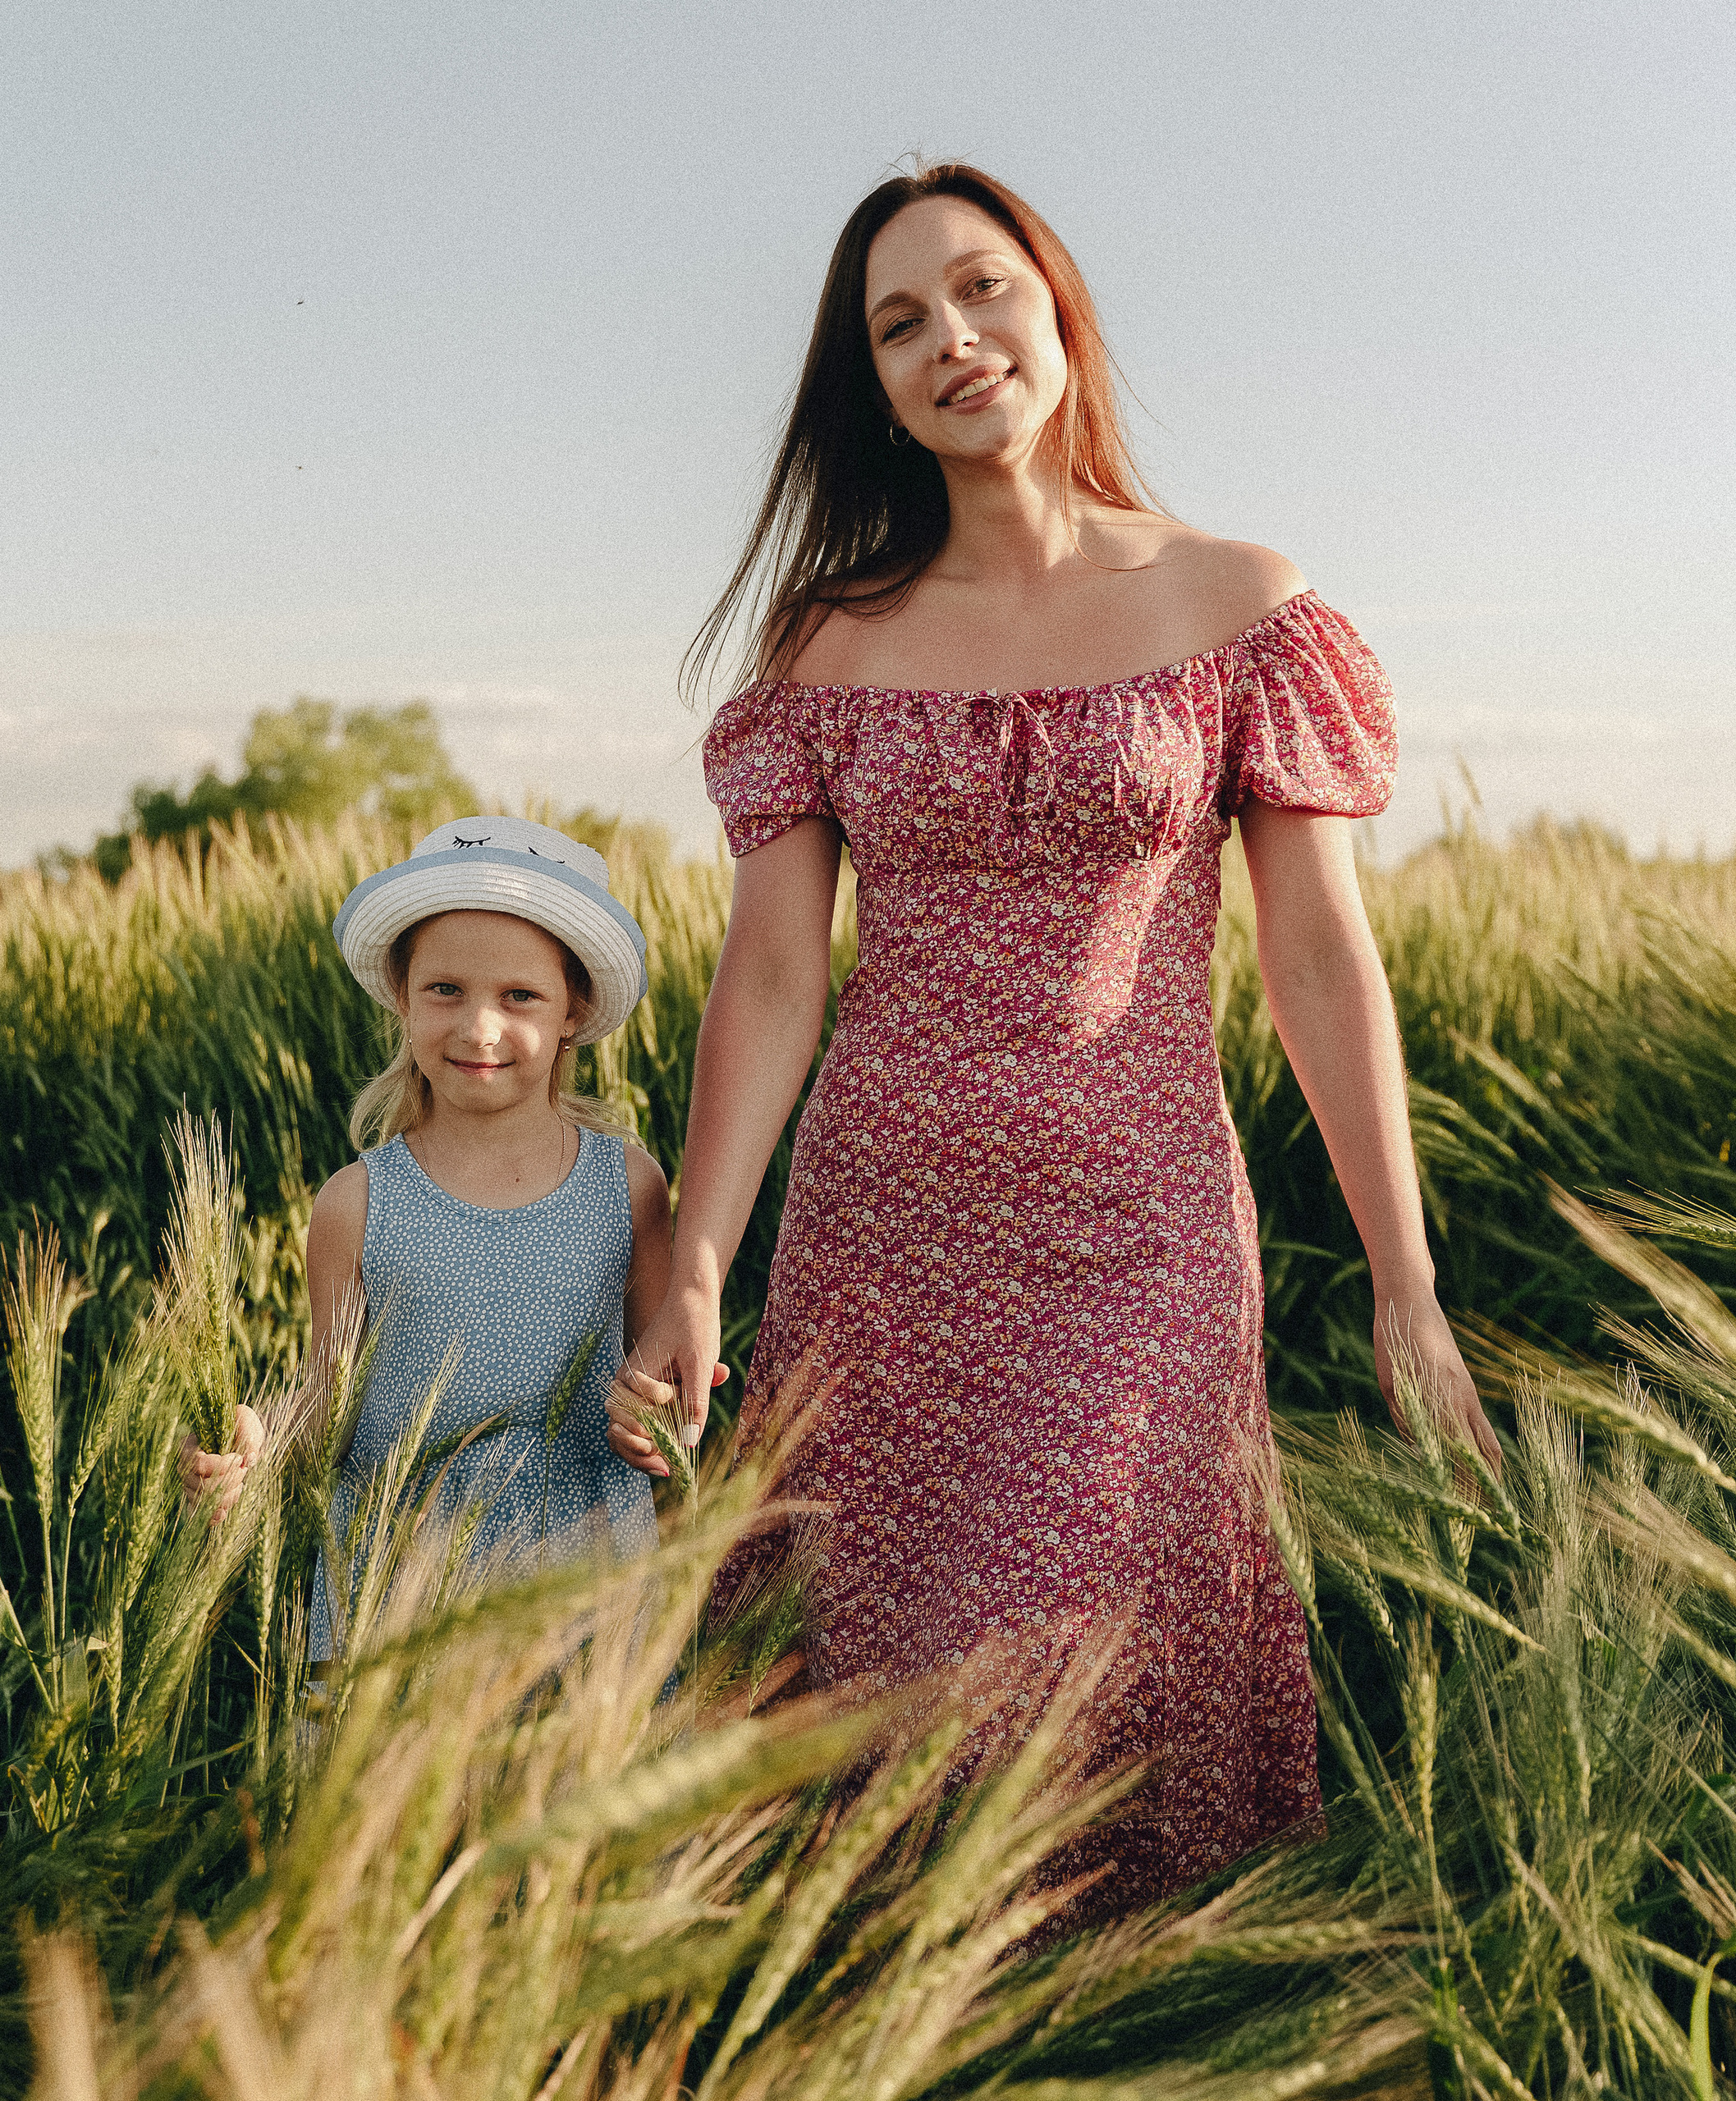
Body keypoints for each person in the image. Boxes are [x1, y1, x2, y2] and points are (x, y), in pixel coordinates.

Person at [607, 162, 1502, 1906]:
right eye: (897, 323)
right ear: (868, 386)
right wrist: (703, 1255)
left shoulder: (1239, 605)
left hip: (1140, 1240)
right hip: (882, 1240)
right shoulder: (826, 644)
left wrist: (1403, 1280)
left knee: (1094, 1666)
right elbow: (773, 976)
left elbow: (1317, 959)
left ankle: (1136, 2032)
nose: (951, 337)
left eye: (979, 287)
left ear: (1055, 303)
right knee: (876, 1693)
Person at [186, 814, 692, 1658]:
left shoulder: (629, 1187)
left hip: (585, 1605)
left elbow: (662, 1374)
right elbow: (328, 1401)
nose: (478, 1028)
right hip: (398, 1604)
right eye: (445, 990)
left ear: (575, 1010)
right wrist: (255, 1441)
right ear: (403, 998)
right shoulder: (356, 1203)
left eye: (519, 996)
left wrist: (659, 1419)